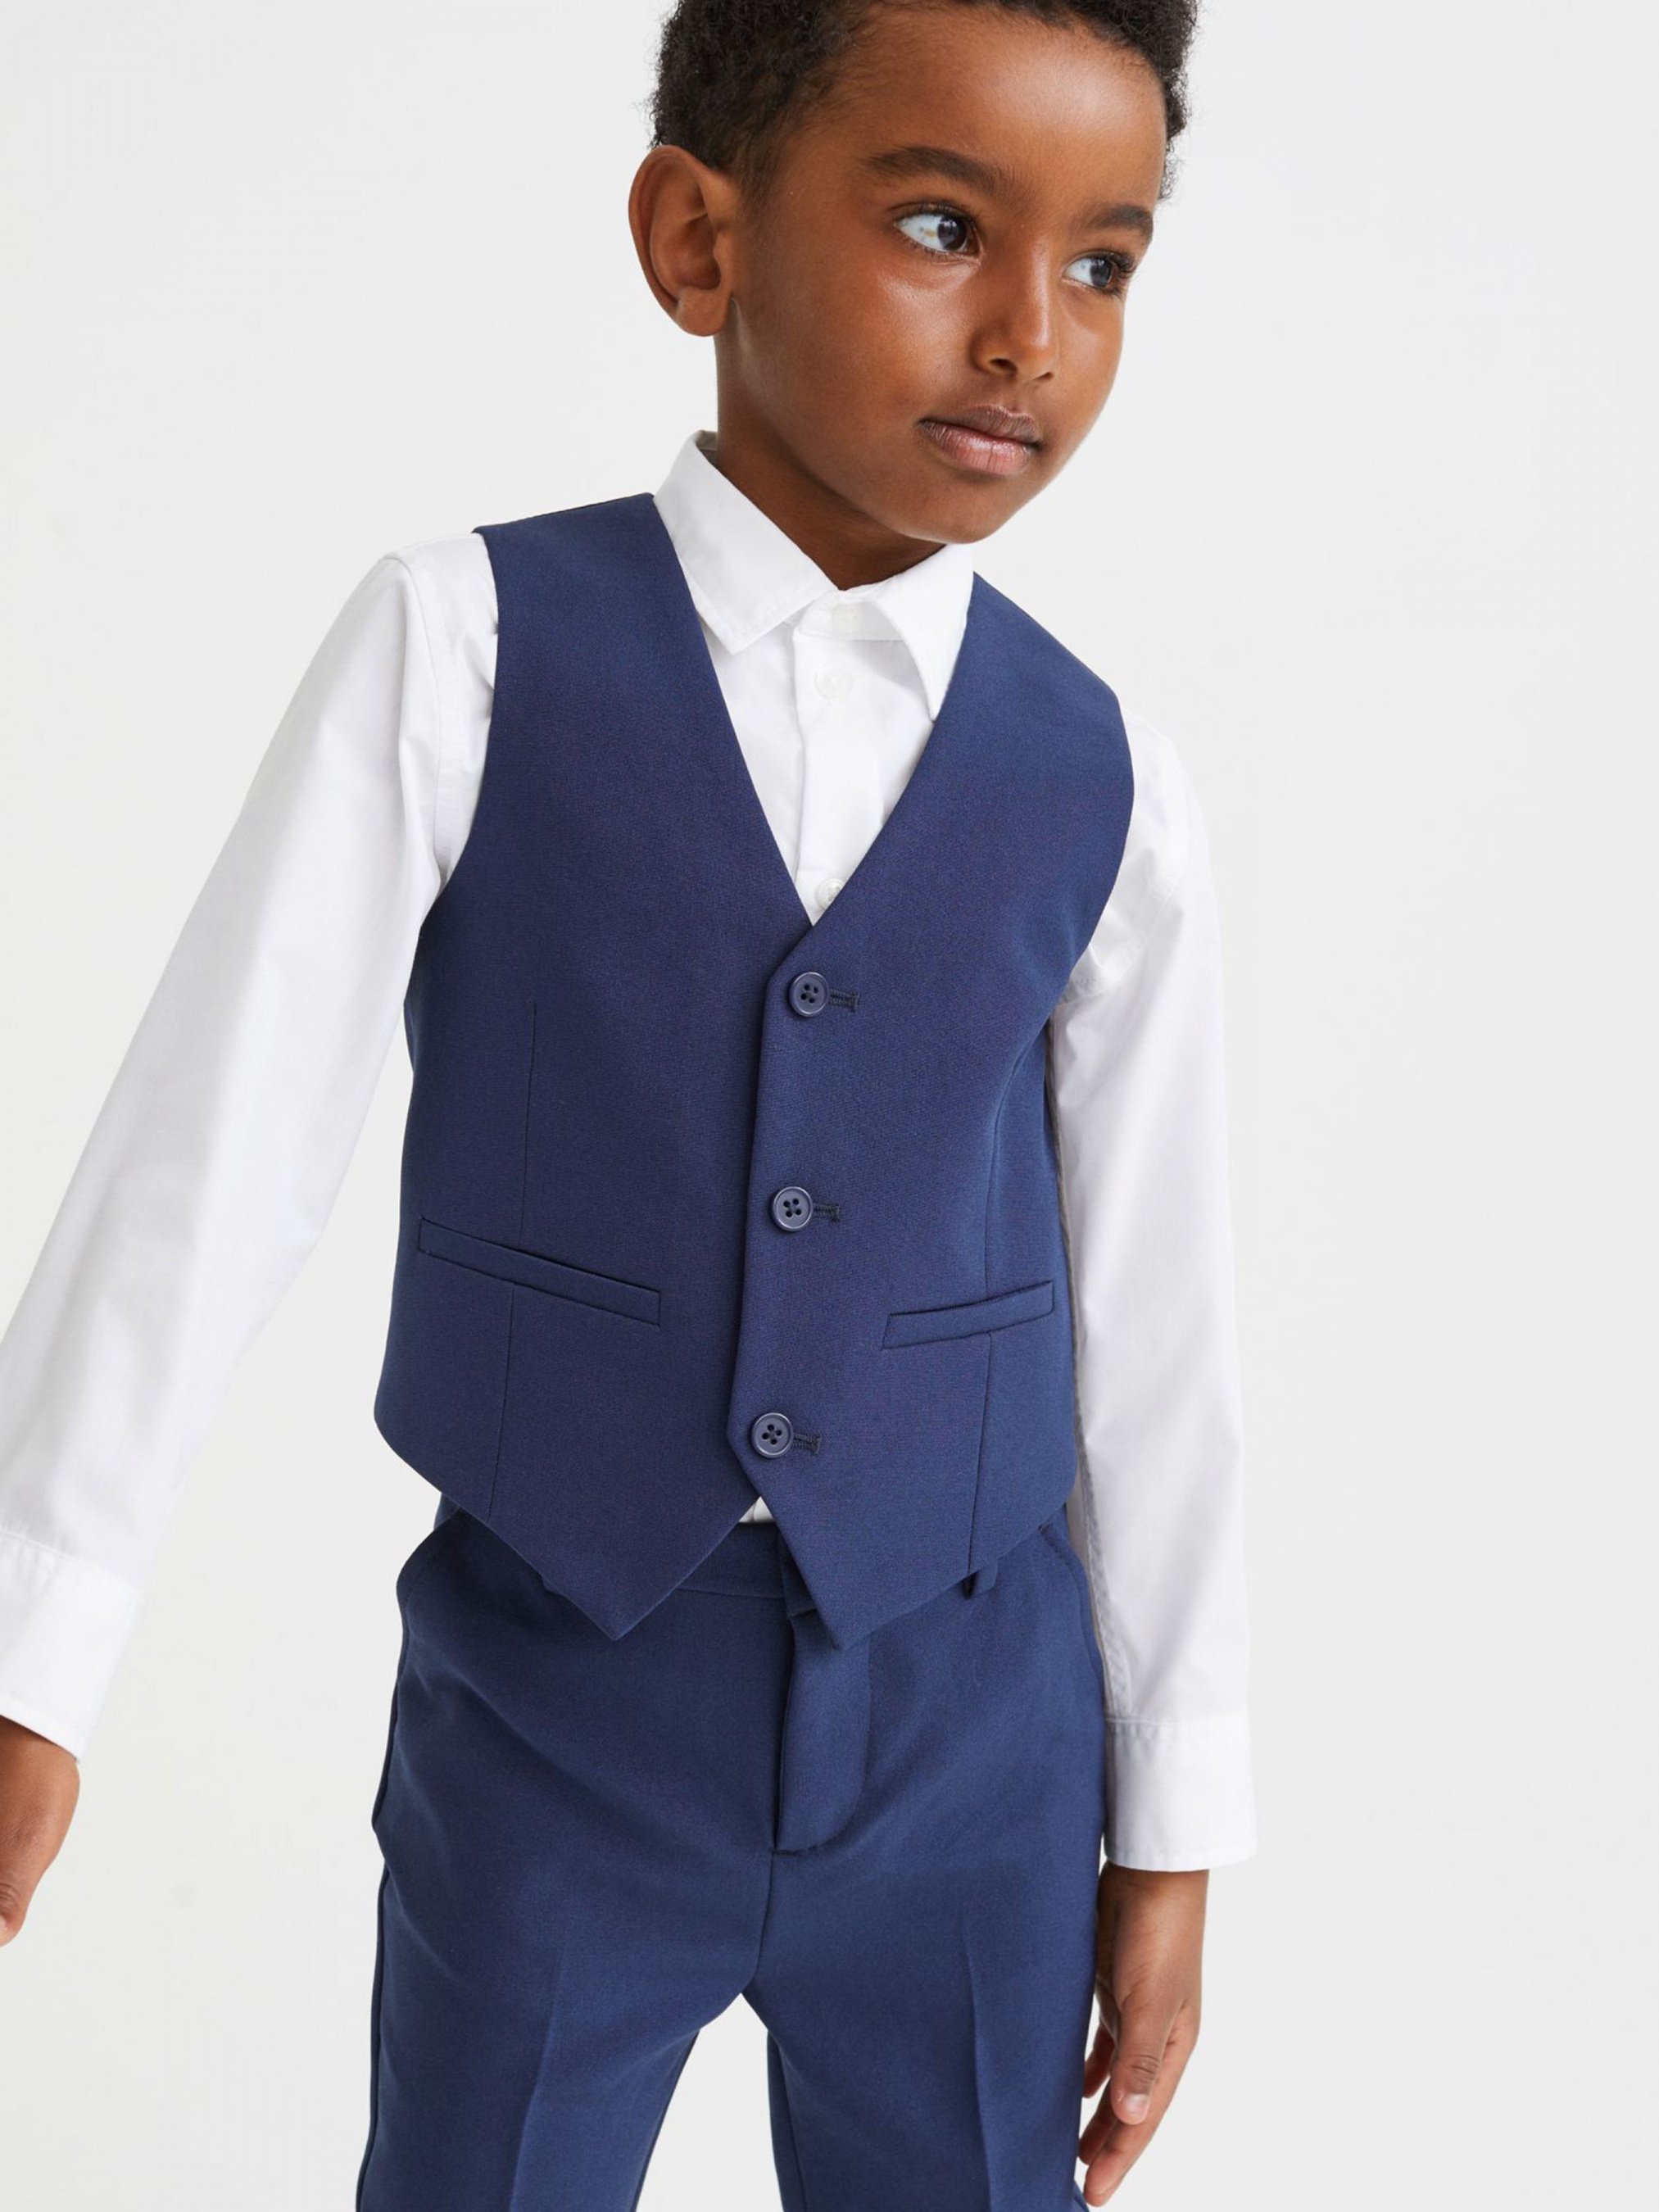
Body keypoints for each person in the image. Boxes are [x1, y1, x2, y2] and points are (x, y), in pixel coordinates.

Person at [0, 2, 1253, 2205]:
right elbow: (214, 1154)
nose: (1028, 337)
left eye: (1103, 262)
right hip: (555, 1708)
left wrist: (1173, 1812)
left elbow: (1158, 1322)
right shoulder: (466, 644)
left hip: (976, 1743)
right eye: (943, 228)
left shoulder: (1102, 770)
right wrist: (36, 1652)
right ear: (697, 237)